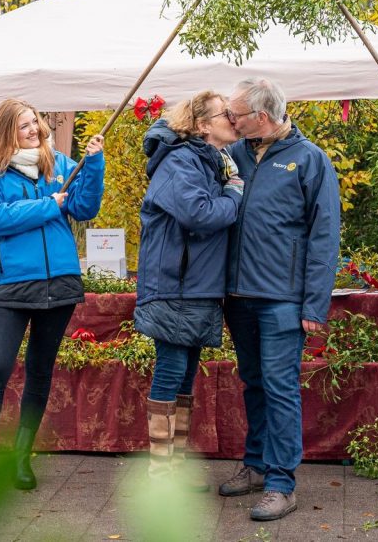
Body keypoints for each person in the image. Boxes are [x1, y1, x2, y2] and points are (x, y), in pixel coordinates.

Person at [0, 98, 104, 496]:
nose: (34, 130)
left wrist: (93, 165)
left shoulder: (57, 166)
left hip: (60, 284)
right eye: (24, 126)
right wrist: (45, 206)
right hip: (13, 287)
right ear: (8, 131)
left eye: (35, 123)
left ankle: (22, 457)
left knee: (40, 370)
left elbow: (86, 206)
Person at [217, 77, 341, 521]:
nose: (230, 120)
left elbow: (325, 235)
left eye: (236, 114)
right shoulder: (232, 155)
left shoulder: (310, 160)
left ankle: (280, 483)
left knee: (281, 386)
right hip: (237, 295)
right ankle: (255, 465)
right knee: (252, 382)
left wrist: (313, 305)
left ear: (262, 117)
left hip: (282, 299)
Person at [133, 90, 244, 487]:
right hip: (175, 285)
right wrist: (234, 194)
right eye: (224, 114)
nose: (233, 118)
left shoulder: (209, 160)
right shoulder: (181, 161)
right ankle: (161, 472)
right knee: (172, 369)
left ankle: (172, 469)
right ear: (201, 125)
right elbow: (199, 215)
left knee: (185, 374)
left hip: (194, 286)